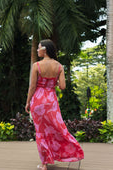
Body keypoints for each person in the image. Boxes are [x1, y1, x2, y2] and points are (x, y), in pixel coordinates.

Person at [25, 39, 84, 170]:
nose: (37, 50)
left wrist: (28, 102)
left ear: (44, 49)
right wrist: (52, 83)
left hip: (38, 101)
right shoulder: (59, 66)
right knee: (58, 128)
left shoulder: (36, 65)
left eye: (39, 48)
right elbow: (62, 86)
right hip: (51, 101)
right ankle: (74, 150)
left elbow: (32, 86)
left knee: (41, 132)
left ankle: (44, 164)